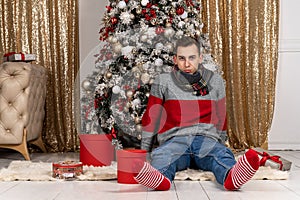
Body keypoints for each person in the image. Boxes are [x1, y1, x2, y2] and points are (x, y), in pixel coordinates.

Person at [132, 36, 260, 191]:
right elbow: (152, 117)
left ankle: (231, 176)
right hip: (175, 140)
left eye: (192, 58)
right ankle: (160, 179)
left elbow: (221, 117)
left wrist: (218, 143)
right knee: (163, 156)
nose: (187, 64)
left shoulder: (216, 81)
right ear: (175, 59)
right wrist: (144, 152)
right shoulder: (163, 81)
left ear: (200, 58)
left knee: (221, 155)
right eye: (182, 58)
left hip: (205, 139)